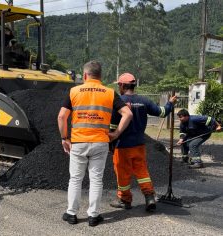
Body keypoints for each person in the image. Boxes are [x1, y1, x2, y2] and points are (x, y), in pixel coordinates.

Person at [58, 61, 132, 227]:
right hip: (100, 142)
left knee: (75, 179)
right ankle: (93, 215)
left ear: (85, 75)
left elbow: (62, 117)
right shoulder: (109, 92)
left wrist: (64, 138)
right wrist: (117, 133)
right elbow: (127, 113)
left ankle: (71, 213)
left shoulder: (74, 91)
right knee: (96, 180)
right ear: (100, 76)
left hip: (78, 141)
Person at [109, 73, 177, 212]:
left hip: (122, 145)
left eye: (119, 85)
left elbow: (113, 126)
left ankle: (125, 200)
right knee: (142, 171)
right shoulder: (144, 101)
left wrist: (111, 144)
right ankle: (149, 197)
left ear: (122, 85)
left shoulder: (117, 101)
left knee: (123, 173)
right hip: (139, 144)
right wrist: (170, 103)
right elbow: (162, 112)